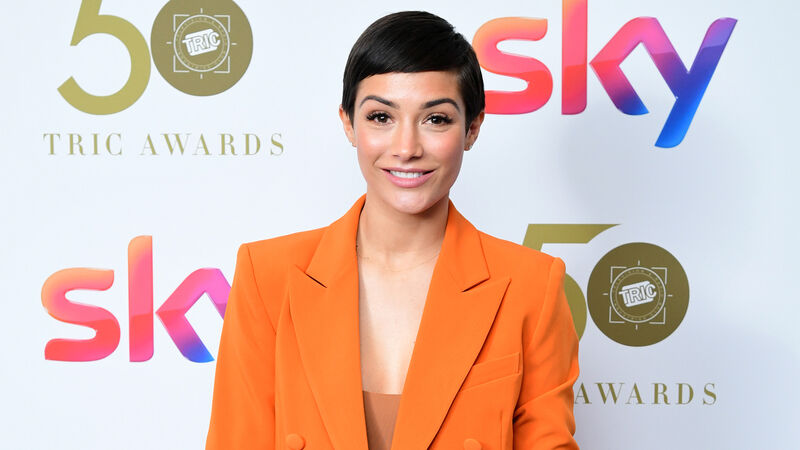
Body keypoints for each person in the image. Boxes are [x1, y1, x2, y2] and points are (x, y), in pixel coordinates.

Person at [206, 11, 579, 450]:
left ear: (472, 128)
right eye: (381, 117)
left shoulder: (531, 286)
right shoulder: (267, 276)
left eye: (435, 119)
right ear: (348, 123)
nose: (406, 149)